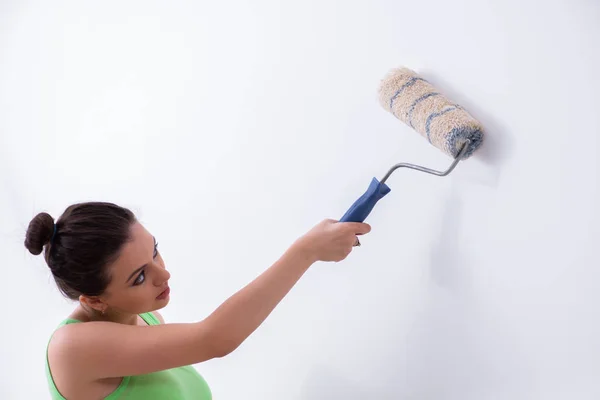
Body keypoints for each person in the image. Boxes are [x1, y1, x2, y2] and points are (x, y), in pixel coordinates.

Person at [25, 201, 371, 399]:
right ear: (94, 300)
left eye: (155, 253)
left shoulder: (141, 318)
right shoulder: (72, 348)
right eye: (140, 277)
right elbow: (215, 338)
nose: (164, 276)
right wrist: (305, 251)